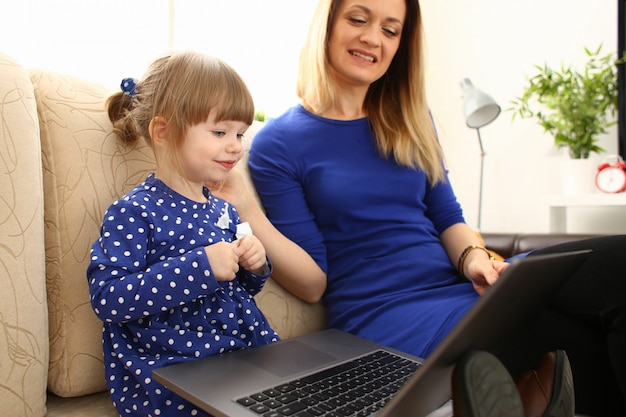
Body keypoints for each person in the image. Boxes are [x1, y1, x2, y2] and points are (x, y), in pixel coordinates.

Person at [211, 0, 626, 416]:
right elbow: (313, 283)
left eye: (391, 30)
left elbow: (448, 218)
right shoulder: (280, 142)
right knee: (578, 346)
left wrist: (476, 258)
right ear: (327, 25)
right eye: (358, 19)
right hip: (389, 316)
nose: (373, 38)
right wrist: (249, 210)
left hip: (462, 292)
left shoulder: (410, 118)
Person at [87, 51, 279, 417]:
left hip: (242, 355)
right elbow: (107, 298)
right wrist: (201, 268)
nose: (236, 145)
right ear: (163, 132)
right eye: (220, 132)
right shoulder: (135, 211)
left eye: (240, 133)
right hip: (176, 368)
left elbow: (237, 290)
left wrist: (255, 266)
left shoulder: (222, 209)